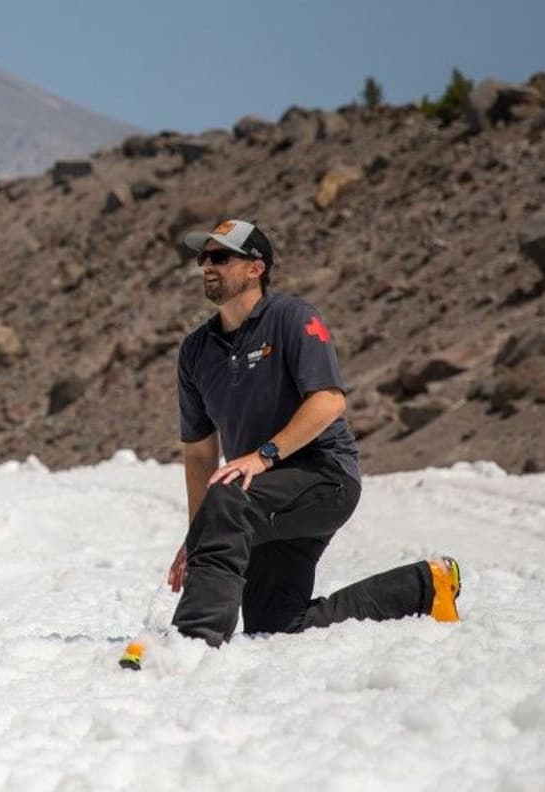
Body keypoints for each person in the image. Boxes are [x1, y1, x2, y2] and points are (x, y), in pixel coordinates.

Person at [165, 219, 460, 647]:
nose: (206, 266)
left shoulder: (292, 318)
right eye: (203, 258)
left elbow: (328, 401)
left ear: (255, 268)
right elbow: (198, 454)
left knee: (229, 495)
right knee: (276, 625)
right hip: (264, 494)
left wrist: (263, 456)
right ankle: (425, 586)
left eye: (220, 257)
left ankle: (194, 640)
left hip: (324, 477)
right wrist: (201, 535)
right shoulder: (195, 350)